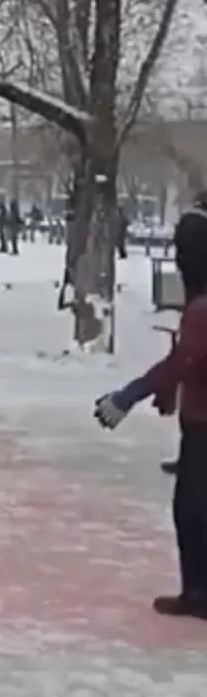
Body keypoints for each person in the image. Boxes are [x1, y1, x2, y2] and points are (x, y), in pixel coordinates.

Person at [95, 205, 207, 619]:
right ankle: (197, 591)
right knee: (191, 509)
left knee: (194, 511)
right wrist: (167, 395)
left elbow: (185, 362)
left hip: (204, 425)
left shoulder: (201, 309)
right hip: (197, 418)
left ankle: (199, 593)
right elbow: (190, 361)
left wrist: (131, 395)